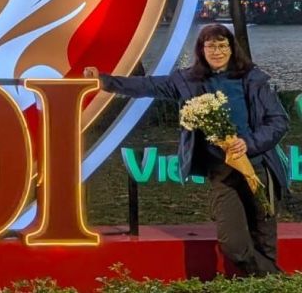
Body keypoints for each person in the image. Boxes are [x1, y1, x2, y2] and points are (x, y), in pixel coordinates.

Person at [85, 23, 288, 276]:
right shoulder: (187, 81)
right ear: (201, 50)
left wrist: (250, 143)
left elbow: (279, 121)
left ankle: (262, 284)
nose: (217, 51)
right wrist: (104, 81)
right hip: (222, 174)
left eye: (222, 45)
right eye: (210, 46)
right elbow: (147, 85)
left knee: (264, 238)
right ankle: (277, 280)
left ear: (232, 49)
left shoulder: (252, 79)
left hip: (259, 169)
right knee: (233, 245)